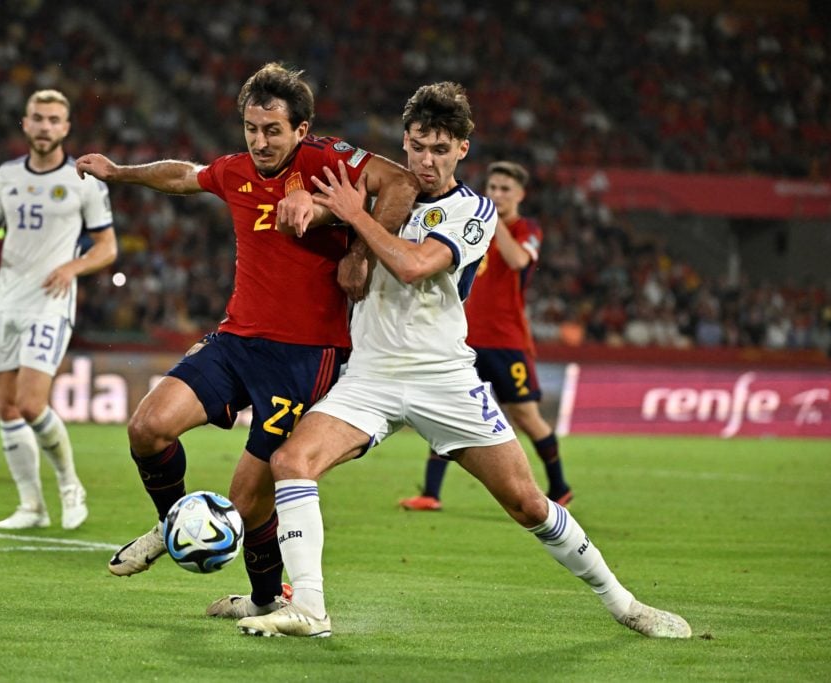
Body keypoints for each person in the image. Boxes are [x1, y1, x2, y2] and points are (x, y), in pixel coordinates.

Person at [237, 82, 691, 640]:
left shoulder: (473, 211)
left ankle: (624, 604)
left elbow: (412, 265)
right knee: (291, 463)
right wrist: (307, 202)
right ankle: (309, 608)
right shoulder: (375, 194)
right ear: (404, 143)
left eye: (440, 149)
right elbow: (307, 224)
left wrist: (357, 217)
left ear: (461, 151)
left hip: (443, 377)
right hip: (371, 376)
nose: (426, 160)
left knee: (527, 504)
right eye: (417, 146)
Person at [75, 62, 419, 618]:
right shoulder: (235, 171)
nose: (260, 141)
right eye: (252, 129)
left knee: (248, 499)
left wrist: (357, 252)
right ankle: (173, 525)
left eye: (273, 130)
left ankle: (264, 601)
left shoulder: (327, 160)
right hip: (236, 340)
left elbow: (402, 182)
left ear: (301, 130)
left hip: (307, 354)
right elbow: (183, 175)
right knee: (146, 427)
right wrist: (119, 172)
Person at [0, 89, 117, 530]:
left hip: (51, 302)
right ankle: (32, 506)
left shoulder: (85, 180)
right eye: (38, 118)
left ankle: (69, 484)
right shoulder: (6, 177)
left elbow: (107, 247)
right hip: (7, 301)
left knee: (29, 403)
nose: (45, 126)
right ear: (25, 124)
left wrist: (73, 267)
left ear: (66, 128)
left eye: (54, 120)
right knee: (6, 408)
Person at [400, 161, 572, 511]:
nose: (496, 194)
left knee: (525, 416)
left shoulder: (526, 228)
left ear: (520, 195)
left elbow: (519, 261)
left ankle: (560, 487)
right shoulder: (470, 225)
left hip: (508, 341)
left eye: (505, 189)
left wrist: (492, 218)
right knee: (448, 409)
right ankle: (431, 494)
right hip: (466, 338)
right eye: (492, 188)